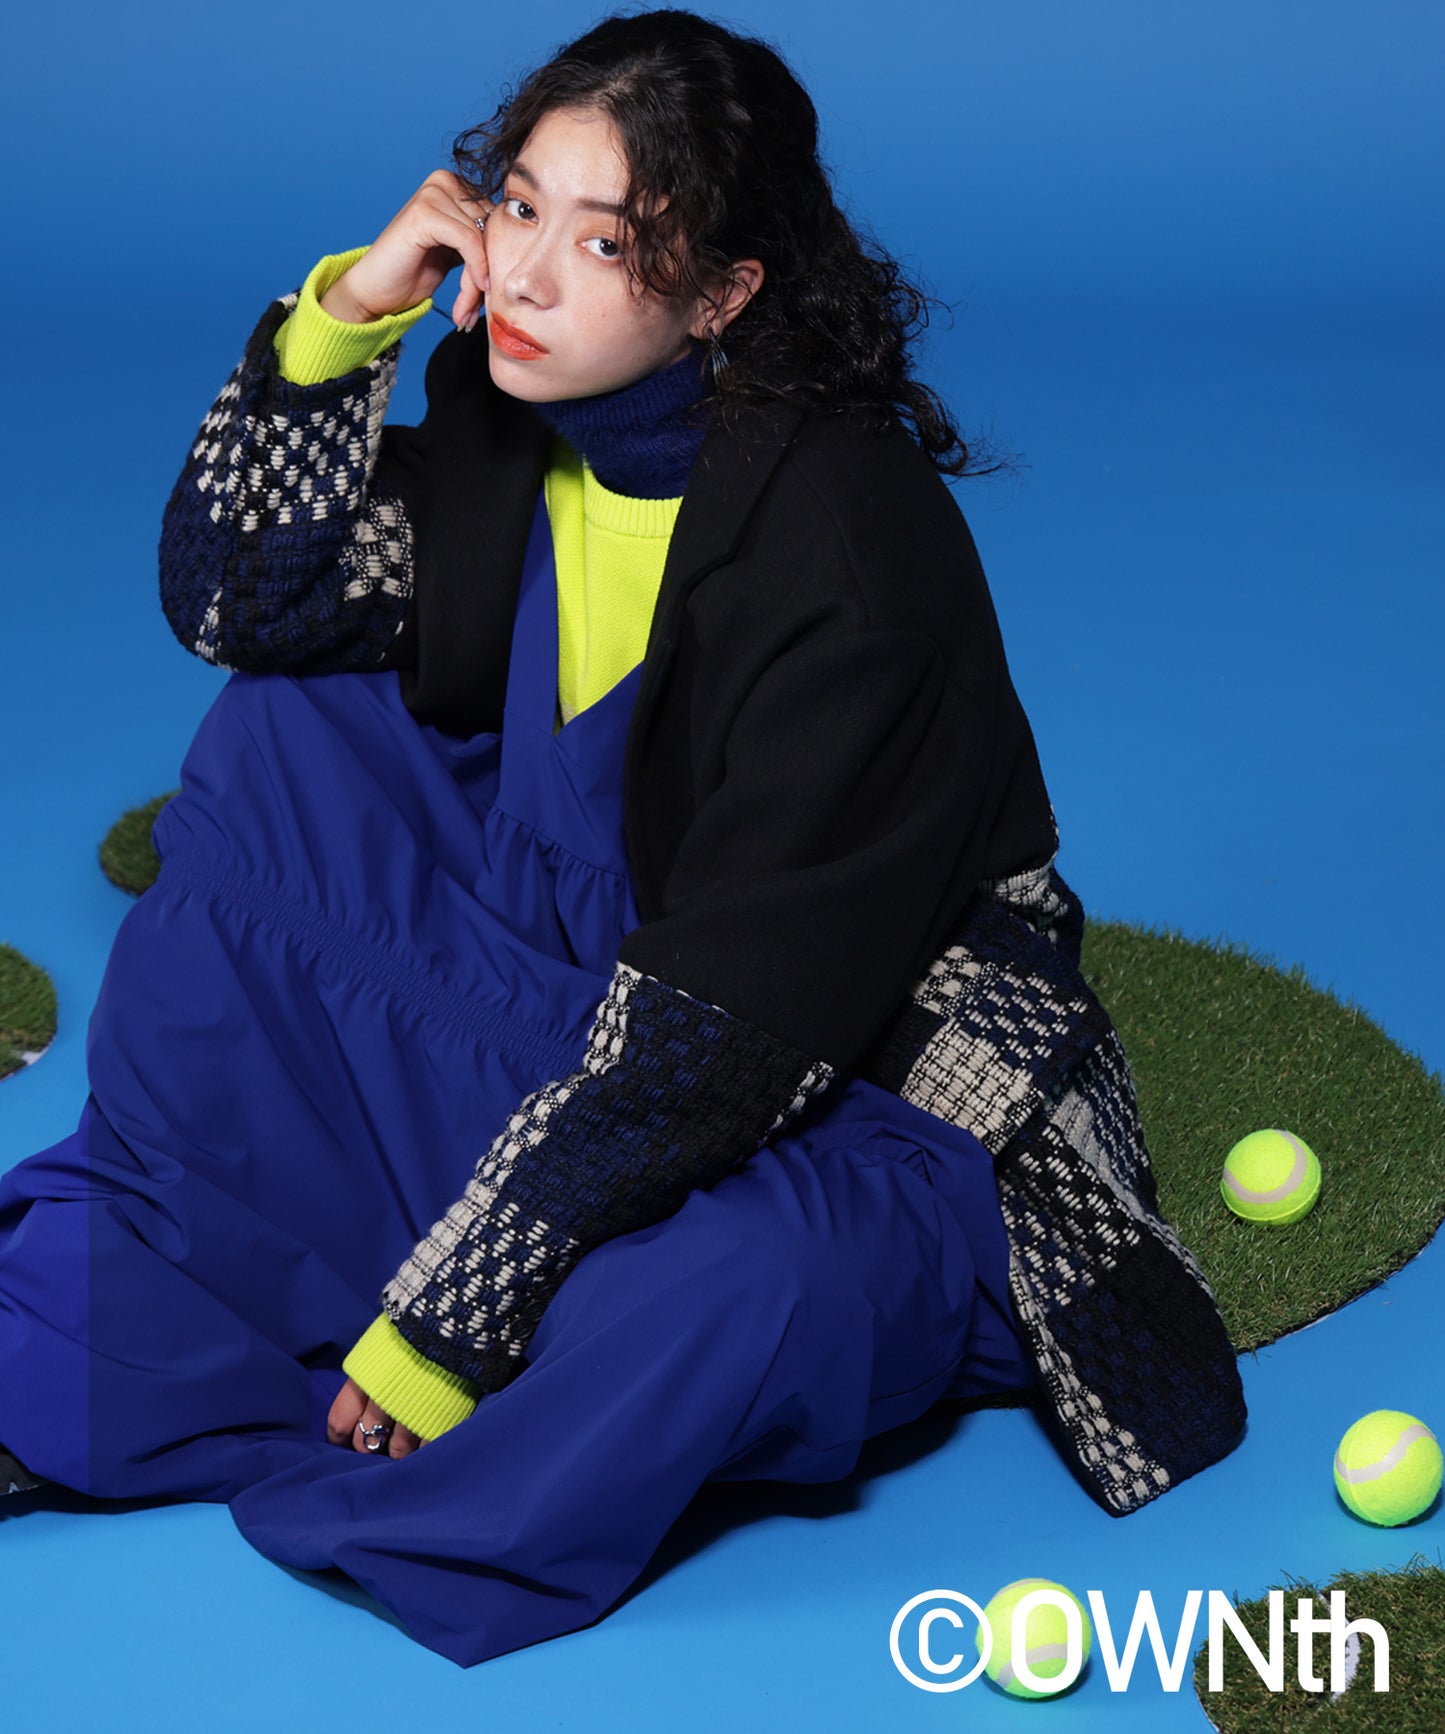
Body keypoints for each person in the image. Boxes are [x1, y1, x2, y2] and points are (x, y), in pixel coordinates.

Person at [0, 8, 1245, 1666]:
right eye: (516, 206)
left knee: (735, 1288)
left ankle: (424, 1391)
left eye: (602, 243)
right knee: (289, 730)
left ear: (723, 293)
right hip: (588, 970)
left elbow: (730, 1031)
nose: (522, 275)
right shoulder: (522, 418)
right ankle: (154, 1315)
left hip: (850, 1072)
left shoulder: (850, 556)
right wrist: (347, 318)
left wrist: (455, 1315)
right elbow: (240, 601)